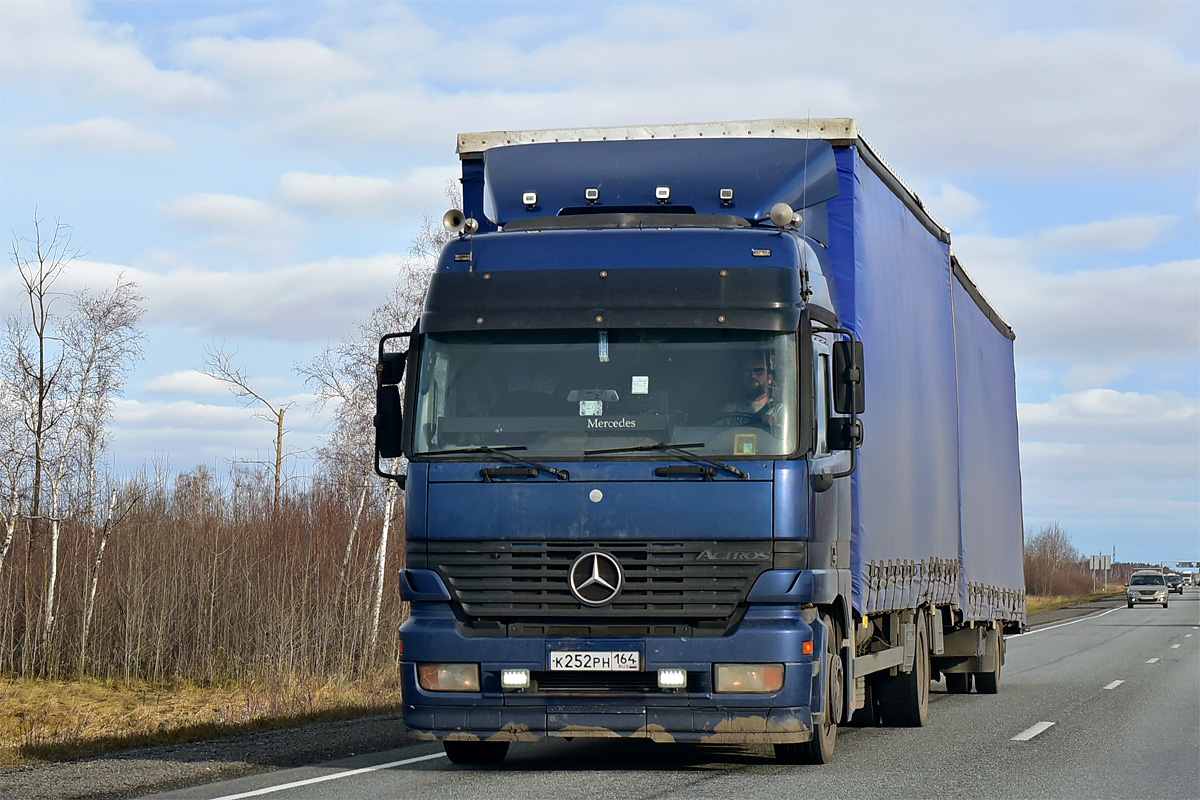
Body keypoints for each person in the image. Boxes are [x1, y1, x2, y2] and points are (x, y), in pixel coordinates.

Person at [713, 351, 784, 432]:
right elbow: (714, 436)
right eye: (747, 371)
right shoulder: (729, 410)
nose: (753, 376)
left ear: (769, 378)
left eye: (758, 371)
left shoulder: (779, 411)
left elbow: (789, 438)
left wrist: (775, 426)